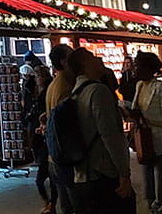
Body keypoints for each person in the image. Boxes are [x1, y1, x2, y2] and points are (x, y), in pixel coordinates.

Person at [64, 47, 133, 214]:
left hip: (82, 172)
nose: (98, 59)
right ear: (85, 64)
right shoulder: (98, 91)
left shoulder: (75, 93)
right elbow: (110, 135)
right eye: (92, 57)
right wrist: (124, 172)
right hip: (102, 172)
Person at [131, 51, 162, 214]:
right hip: (146, 145)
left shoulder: (161, 87)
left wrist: (144, 116)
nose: (134, 69)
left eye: (137, 66)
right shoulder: (139, 86)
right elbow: (136, 110)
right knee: (150, 193)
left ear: (148, 68)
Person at [44, 43, 76, 214]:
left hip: (54, 153)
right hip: (65, 152)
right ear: (64, 61)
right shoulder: (66, 85)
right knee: (73, 203)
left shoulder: (54, 84)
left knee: (66, 203)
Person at [28, 65, 54, 214]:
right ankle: (49, 203)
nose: (35, 79)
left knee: (44, 178)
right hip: (41, 136)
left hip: (45, 138)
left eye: (37, 76)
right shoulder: (38, 91)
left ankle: (49, 204)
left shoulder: (46, 92)